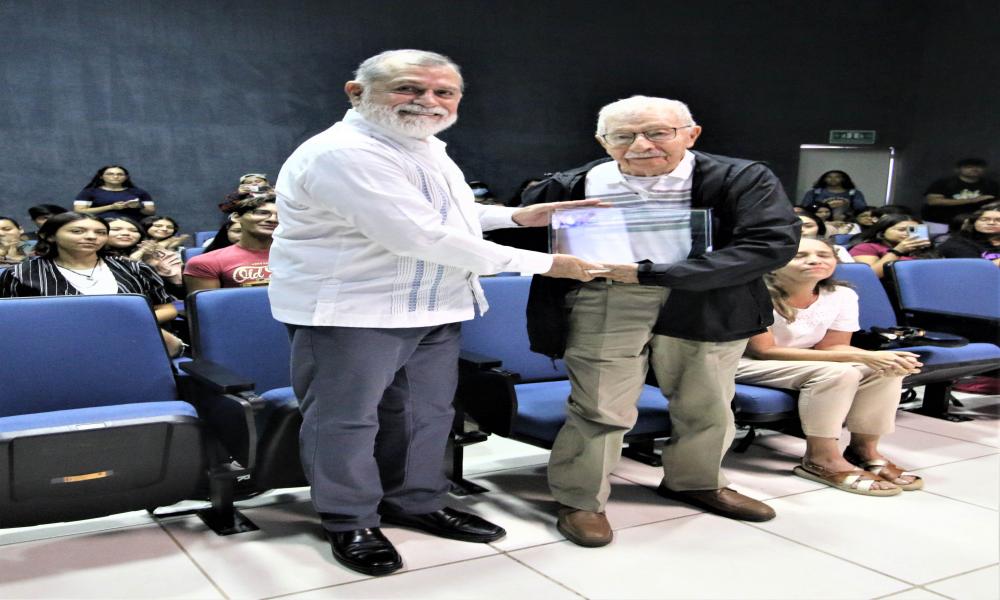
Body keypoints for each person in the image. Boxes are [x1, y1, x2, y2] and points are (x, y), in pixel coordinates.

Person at [268, 49, 602, 576]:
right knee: (345, 421)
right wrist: (544, 262)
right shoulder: (342, 152)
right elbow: (417, 234)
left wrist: (515, 215)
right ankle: (348, 517)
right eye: (409, 88)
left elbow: (448, 215)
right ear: (356, 93)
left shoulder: (425, 147)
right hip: (355, 311)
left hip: (434, 304)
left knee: (429, 412)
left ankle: (416, 499)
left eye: (443, 93)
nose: (427, 101)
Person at [522, 95, 800, 547]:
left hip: (707, 296)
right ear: (602, 141)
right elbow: (529, 237)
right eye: (624, 135)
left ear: (691, 134)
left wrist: (655, 272)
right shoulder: (575, 183)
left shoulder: (742, 178)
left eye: (657, 132)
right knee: (599, 402)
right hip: (606, 295)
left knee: (707, 398)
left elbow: (769, 245)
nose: (641, 145)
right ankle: (580, 499)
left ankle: (696, 481)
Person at [735, 238, 923, 495]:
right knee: (840, 371)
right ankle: (821, 459)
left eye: (824, 254)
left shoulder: (841, 294)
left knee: (885, 369)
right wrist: (862, 358)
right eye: (801, 255)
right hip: (743, 362)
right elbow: (762, 350)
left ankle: (864, 450)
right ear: (774, 262)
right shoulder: (752, 292)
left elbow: (832, 347)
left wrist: (879, 358)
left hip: (805, 360)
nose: (815, 260)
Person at [0, 212, 184, 356]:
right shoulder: (20, 274)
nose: (91, 237)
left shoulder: (134, 267)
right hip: (56, 345)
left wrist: (118, 325)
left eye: (100, 232)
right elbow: (13, 321)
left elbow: (167, 309)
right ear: (49, 236)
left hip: (133, 339)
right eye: (78, 231)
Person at [184, 196, 276, 291]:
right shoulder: (205, 262)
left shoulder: (292, 256)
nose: (273, 219)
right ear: (236, 217)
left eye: (281, 215)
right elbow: (211, 304)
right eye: (262, 213)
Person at [848, 214, 935, 278]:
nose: (907, 233)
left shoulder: (923, 248)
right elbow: (871, 275)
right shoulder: (866, 247)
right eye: (901, 230)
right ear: (882, 231)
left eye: (913, 230)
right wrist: (897, 251)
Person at [922, 158, 999, 225]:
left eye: (979, 167)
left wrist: (991, 206)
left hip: (976, 223)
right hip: (941, 223)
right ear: (958, 169)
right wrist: (972, 200)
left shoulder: (991, 184)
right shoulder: (944, 183)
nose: (975, 169)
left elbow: (997, 200)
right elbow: (932, 201)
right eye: (969, 167)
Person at [73, 165, 155, 221]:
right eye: (110, 174)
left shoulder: (139, 192)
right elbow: (79, 211)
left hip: (132, 225)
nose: (115, 177)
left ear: (126, 177)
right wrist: (111, 207)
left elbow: (151, 212)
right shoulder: (89, 192)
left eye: (120, 174)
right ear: (101, 177)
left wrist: (138, 206)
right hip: (101, 225)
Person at [801, 170, 867, 213]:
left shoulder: (853, 193)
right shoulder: (814, 193)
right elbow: (806, 208)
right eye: (829, 177)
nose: (833, 179)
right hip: (821, 222)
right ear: (824, 179)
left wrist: (846, 204)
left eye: (837, 177)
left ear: (844, 179)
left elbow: (861, 208)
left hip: (848, 222)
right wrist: (824, 206)